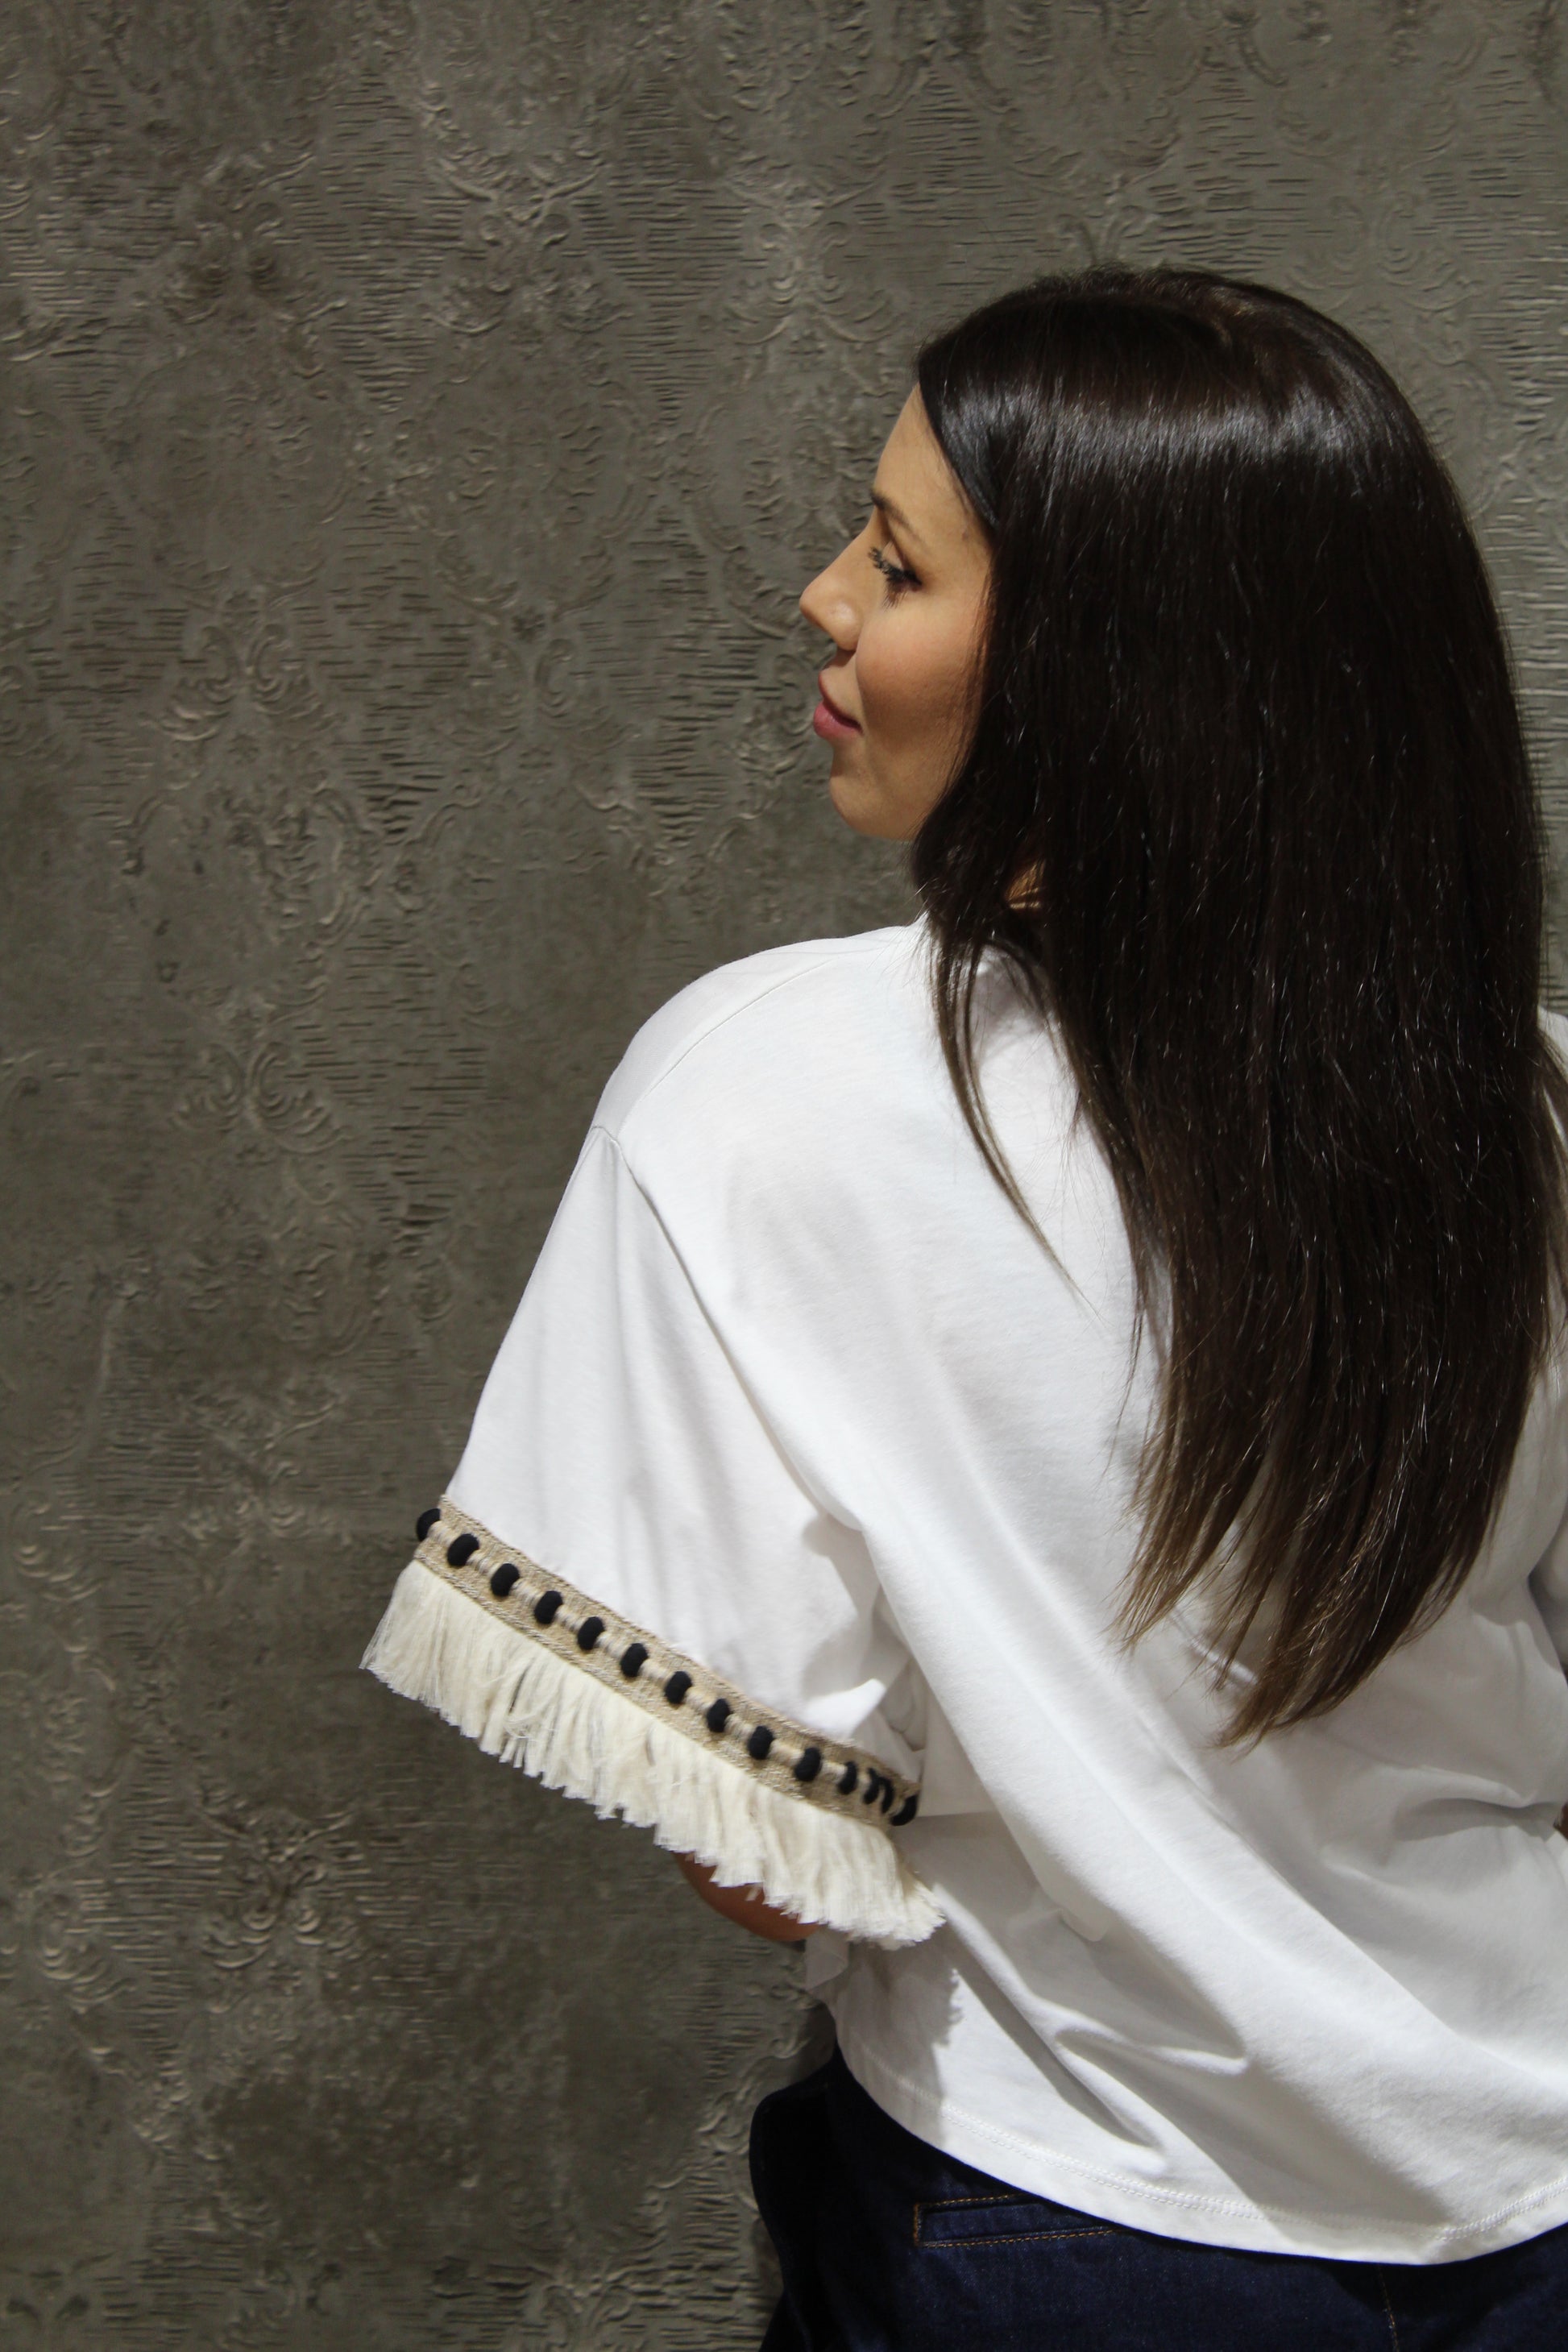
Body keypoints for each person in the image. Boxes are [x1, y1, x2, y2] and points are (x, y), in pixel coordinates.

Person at [364, 268, 1568, 2348]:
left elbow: (759, 1848)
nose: (822, 599)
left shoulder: (765, 1091)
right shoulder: (1532, 1105)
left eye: (901, 564)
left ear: (1119, 670)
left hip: (1063, 2204)